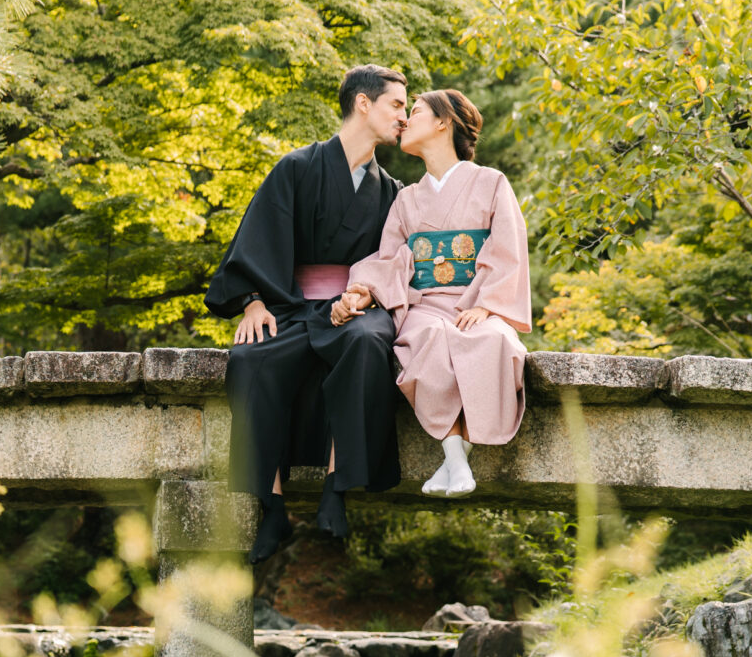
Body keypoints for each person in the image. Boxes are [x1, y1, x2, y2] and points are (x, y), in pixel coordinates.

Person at [204, 67, 409, 563]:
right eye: (397, 105)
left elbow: (401, 260)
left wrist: (363, 296)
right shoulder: (297, 167)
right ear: (363, 103)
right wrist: (252, 300)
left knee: (366, 343)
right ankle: (270, 502)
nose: (404, 116)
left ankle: (337, 487)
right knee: (252, 359)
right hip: (294, 305)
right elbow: (256, 240)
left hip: (360, 306)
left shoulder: (393, 191)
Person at [335, 89, 531, 498]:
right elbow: (390, 259)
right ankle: (457, 461)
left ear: (444, 122)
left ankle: (453, 462)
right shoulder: (407, 198)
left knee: (494, 340)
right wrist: (362, 290)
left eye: (417, 111)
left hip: (477, 304)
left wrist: (487, 305)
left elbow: (507, 249)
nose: (406, 119)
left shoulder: (492, 182)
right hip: (424, 305)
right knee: (426, 338)